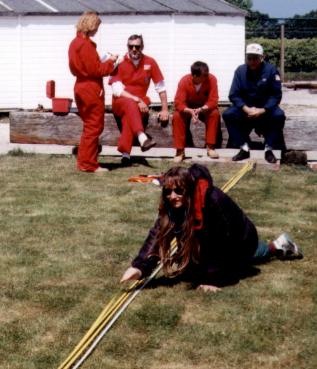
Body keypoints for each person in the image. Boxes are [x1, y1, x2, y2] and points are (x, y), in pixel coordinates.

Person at [121, 164, 303, 292]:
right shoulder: (173, 205)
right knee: (193, 269)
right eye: (167, 192)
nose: (172, 196)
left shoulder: (212, 201)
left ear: (189, 190)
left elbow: (221, 242)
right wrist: (140, 267)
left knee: (244, 259)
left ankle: (276, 247)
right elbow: (158, 234)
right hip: (210, 240)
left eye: (178, 191)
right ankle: (278, 245)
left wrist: (212, 278)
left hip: (240, 239)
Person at [68, 11, 118, 173]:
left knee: (89, 126)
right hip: (90, 88)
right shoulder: (86, 45)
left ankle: (85, 161)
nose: (97, 30)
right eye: (96, 26)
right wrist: (112, 62)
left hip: (81, 86)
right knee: (94, 126)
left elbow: (86, 67)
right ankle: (88, 164)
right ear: (90, 25)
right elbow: (96, 70)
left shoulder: (75, 43)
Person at [109, 34, 169, 166]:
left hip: (141, 102)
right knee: (131, 104)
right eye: (131, 46)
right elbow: (117, 90)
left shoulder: (150, 62)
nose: (134, 49)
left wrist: (165, 109)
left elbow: (160, 87)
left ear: (142, 46)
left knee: (129, 116)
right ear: (127, 47)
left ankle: (125, 154)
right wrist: (136, 99)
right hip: (121, 100)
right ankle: (142, 136)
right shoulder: (119, 62)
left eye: (137, 46)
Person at [222, 43, 286, 164]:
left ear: (262, 57)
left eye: (255, 58)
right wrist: (246, 108)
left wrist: (263, 110)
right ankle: (244, 147)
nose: (252, 61)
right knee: (228, 114)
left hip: (265, 109)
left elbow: (276, 95)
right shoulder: (240, 71)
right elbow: (233, 94)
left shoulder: (271, 70)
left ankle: (269, 148)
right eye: (249, 58)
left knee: (279, 115)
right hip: (245, 108)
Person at [173, 61, 220, 163]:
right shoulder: (184, 81)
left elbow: (214, 100)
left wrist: (202, 109)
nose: (207, 77)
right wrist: (189, 110)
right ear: (194, 76)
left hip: (204, 107)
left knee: (214, 113)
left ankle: (210, 147)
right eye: (204, 75)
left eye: (207, 74)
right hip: (188, 107)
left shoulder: (212, 79)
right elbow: (178, 102)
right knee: (177, 116)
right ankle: (180, 151)